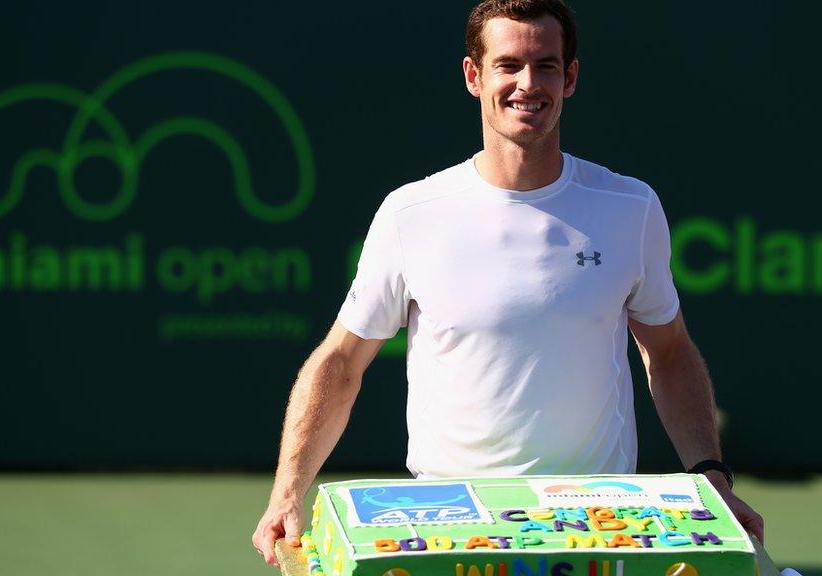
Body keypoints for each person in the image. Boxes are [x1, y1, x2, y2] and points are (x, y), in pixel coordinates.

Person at [252, 0, 763, 566]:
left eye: (546, 65)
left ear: (570, 78)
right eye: (508, 65)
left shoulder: (631, 208)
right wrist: (286, 494)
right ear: (474, 76)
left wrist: (711, 476)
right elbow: (341, 363)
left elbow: (668, 354)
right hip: (449, 524)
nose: (528, 84)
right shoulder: (411, 213)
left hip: (596, 522)